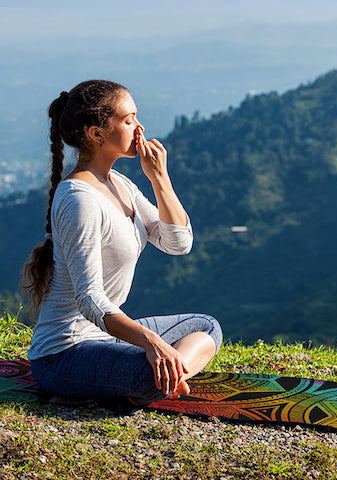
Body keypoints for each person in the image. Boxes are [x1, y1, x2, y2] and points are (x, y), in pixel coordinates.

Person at [23, 79, 222, 404]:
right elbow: (90, 299)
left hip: (106, 339)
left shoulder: (120, 183)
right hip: (64, 355)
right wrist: (151, 343)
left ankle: (166, 377)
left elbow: (177, 243)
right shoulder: (79, 199)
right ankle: (159, 378)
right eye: (128, 120)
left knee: (206, 326)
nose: (139, 127)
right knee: (149, 371)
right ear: (96, 134)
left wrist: (160, 179)